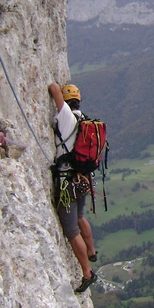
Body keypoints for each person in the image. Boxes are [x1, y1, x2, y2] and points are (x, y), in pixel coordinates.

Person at [49, 82, 98, 293]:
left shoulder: (67, 116)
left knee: (71, 229)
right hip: (83, 179)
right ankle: (92, 251)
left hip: (67, 182)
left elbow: (52, 87)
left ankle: (87, 273)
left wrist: (56, 86)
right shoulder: (84, 119)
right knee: (80, 215)